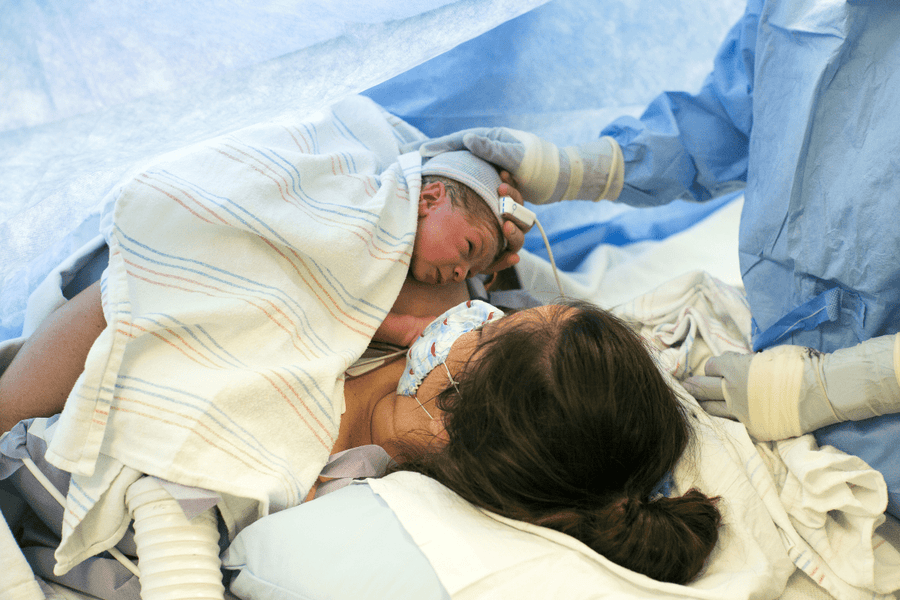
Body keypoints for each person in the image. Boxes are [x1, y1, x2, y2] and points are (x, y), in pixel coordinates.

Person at [416, 0, 900, 517]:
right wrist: (576, 169)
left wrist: (833, 388)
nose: (475, 301)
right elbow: (731, 120)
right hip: (777, 359)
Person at [0, 274, 722, 585]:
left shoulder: (334, 479)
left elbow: (127, 304)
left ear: (449, 418)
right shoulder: (414, 306)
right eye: (514, 310)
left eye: (495, 330)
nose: (483, 310)